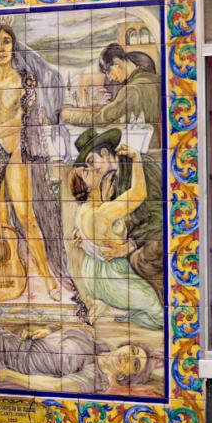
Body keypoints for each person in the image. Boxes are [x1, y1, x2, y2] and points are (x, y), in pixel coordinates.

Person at [0, 21, 73, 303]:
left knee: (26, 218)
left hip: (16, 153)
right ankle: (6, 274)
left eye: (5, 41)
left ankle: (49, 279)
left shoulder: (23, 80)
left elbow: (25, 121)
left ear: (13, 45)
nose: (1, 47)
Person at [69, 138, 165, 331]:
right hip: (113, 275)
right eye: (87, 169)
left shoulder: (138, 168)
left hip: (151, 235)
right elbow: (132, 200)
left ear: (105, 153)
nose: (92, 169)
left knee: (142, 259)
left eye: (90, 162)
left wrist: (129, 245)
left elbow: (159, 214)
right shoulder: (104, 200)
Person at [0, 312, 155, 394]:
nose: (128, 357)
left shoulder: (91, 378)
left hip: (12, 362)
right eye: (133, 351)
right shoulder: (93, 341)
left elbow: (53, 386)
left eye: (135, 364)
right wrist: (45, 331)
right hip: (15, 344)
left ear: (126, 375)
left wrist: (10, 375)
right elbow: (63, 336)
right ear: (125, 345)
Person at [62, 43, 161, 154]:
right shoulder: (156, 80)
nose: (110, 78)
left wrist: (70, 116)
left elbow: (101, 119)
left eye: (108, 72)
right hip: (156, 147)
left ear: (117, 63)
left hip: (144, 152)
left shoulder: (131, 90)